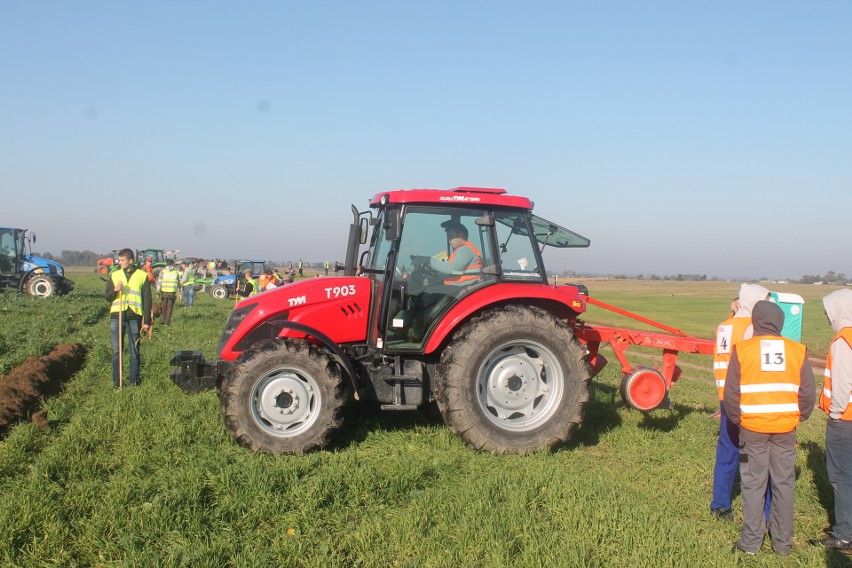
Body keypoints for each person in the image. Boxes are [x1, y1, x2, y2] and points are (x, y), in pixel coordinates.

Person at [724, 300, 815, 555]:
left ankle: (751, 543)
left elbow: (732, 393)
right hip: (786, 429)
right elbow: (808, 393)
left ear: (755, 321)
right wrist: (799, 417)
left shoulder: (742, 350)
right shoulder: (797, 350)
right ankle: (782, 544)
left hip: (752, 429)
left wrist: (736, 420)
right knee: (784, 485)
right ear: (780, 322)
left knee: (753, 485)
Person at [710, 283, 771, 521]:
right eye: (765, 300)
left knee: (727, 449)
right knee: (756, 454)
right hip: (749, 400)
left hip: (727, 398)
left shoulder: (725, 325)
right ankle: (763, 512)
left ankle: (720, 503)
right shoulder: (754, 329)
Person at [812, 289, 852, 551]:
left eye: (829, 312)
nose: (828, 318)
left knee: (842, 477)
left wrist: (835, 414)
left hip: (844, 421)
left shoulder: (843, 341)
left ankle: (844, 534)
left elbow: (842, 384)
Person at [105, 248, 152, 387]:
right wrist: (115, 290)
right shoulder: (114, 275)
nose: (120, 263)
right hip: (117, 317)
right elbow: (107, 297)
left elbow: (147, 300)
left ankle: (134, 381)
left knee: (134, 351)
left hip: (134, 317)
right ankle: (117, 382)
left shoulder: (142, 276)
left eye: (122, 260)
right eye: (119, 260)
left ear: (131, 261)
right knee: (116, 351)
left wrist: (147, 321)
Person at [155, 258, 180, 326]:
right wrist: (179, 292)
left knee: (164, 307)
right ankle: (167, 322)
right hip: (172, 292)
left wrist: (158, 292)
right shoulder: (176, 272)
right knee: (170, 307)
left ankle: (164, 320)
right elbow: (178, 283)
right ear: (172, 264)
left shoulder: (163, 271)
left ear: (166, 264)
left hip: (164, 293)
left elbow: (159, 283)